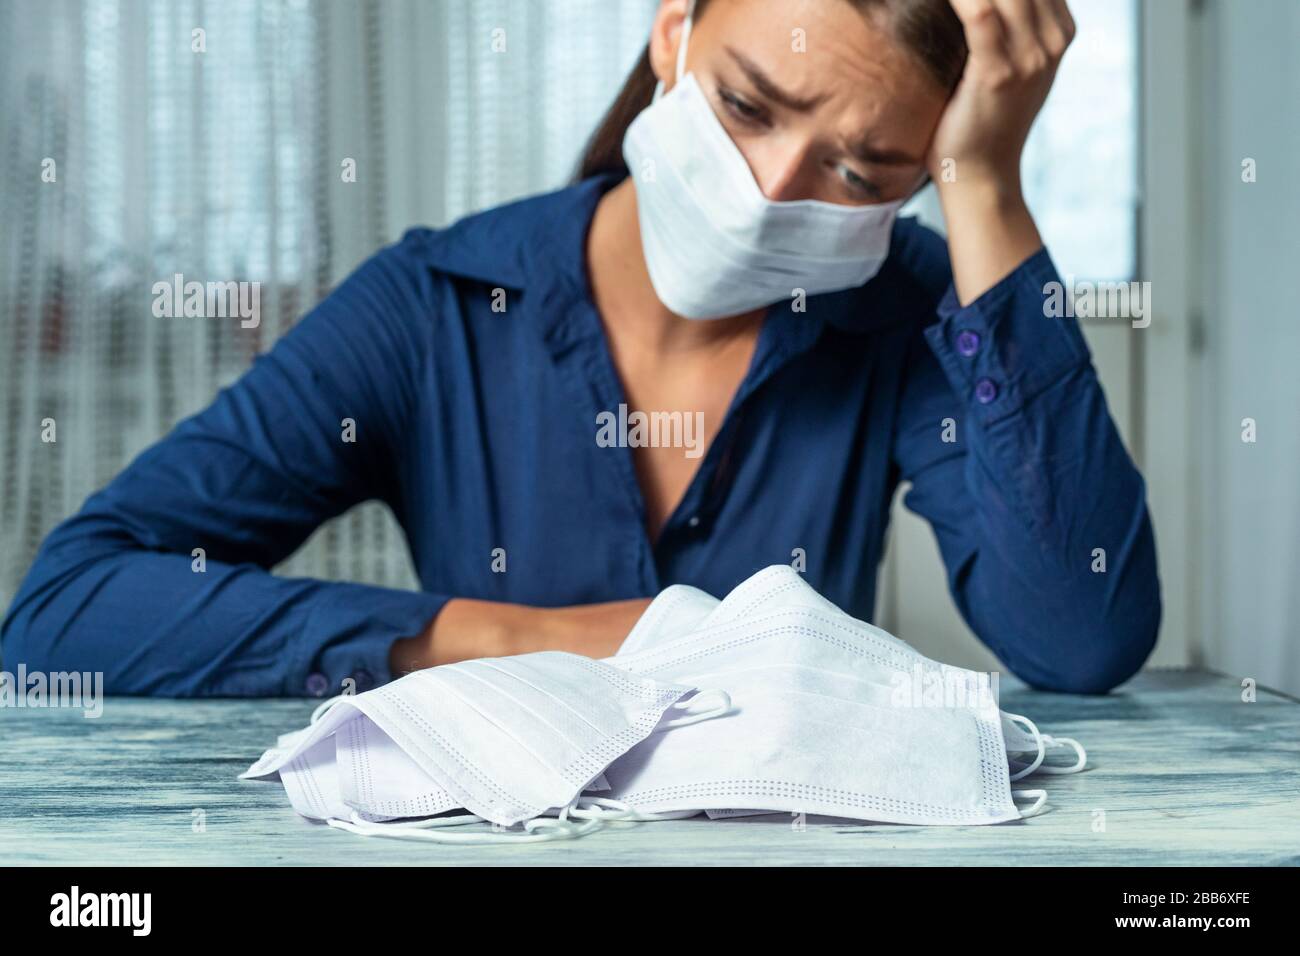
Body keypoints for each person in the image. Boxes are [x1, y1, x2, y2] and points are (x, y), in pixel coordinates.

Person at [1, 0, 1159, 697]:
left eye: (859, 172)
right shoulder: (432, 304)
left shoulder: (902, 312)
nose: (768, 193)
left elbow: (1080, 634)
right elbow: (63, 610)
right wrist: (510, 637)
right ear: (673, 33)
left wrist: (986, 189)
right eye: (749, 108)